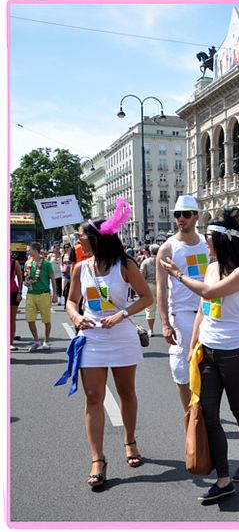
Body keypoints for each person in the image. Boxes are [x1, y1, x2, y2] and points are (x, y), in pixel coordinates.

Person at [160, 206, 239, 502]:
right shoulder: (212, 267)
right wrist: (192, 345)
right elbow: (205, 311)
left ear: (221, 240)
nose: (205, 243)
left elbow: (208, 294)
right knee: (209, 415)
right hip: (208, 353)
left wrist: (177, 274)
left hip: (235, 355)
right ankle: (223, 478)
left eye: (209, 239)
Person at [65, 205, 153, 489]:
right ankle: (97, 459)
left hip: (122, 336)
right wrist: (77, 317)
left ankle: (130, 441)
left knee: (127, 392)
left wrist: (123, 314)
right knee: (93, 397)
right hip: (92, 338)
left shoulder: (125, 265)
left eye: (81, 235)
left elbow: (146, 297)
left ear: (95, 238)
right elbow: (71, 301)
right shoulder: (81, 268)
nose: (78, 239)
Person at [156, 195, 209, 412]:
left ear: (196, 216)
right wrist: (165, 323)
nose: (181, 219)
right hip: (183, 313)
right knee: (181, 365)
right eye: (177, 215)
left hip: (208, 310)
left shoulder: (207, 243)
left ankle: (204, 410)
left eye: (186, 214)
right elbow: (161, 288)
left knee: (207, 365)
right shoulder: (168, 248)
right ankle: (190, 414)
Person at [24, 242, 58, 351]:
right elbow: (27, 279)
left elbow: (52, 279)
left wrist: (55, 295)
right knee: (30, 319)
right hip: (31, 294)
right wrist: (26, 282)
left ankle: (46, 342)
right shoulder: (27, 263)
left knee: (46, 320)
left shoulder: (46, 263)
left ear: (35, 250)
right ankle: (36, 340)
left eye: (29, 250)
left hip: (44, 294)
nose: (27, 251)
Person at [139, 244, 159, 337]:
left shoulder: (146, 262)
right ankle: (166, 326)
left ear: (150, 251)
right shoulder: (162, 260)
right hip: (161, 285)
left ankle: (151, 330)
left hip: (150, 285)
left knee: (150, 309)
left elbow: (142, 275)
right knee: (164, 308)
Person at [10, 256, 23, 351]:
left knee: (11, 319)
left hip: (12, 292)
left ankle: (10, 342)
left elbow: (20, 278)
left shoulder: (14, 263)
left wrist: (19, 292)